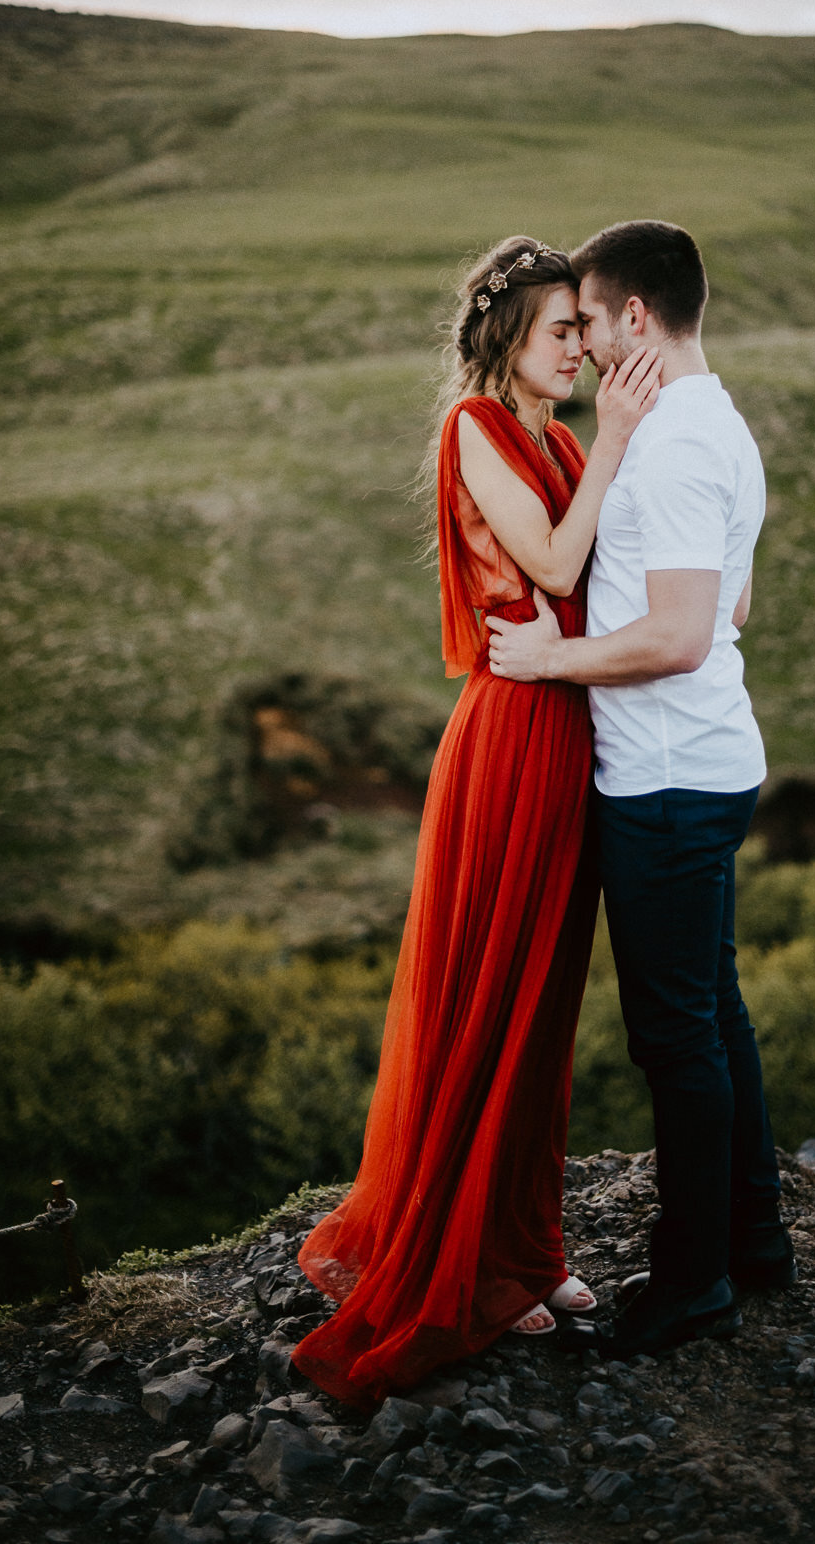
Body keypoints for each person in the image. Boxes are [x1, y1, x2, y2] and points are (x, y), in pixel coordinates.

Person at [291, 237, 660, 1406]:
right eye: (563, 330)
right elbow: (552, 557)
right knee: (491, 991)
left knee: (543, 1001)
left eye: (582, 329)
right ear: (507, 336)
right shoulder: (474, 431)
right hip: (509, 735)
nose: (581, 348)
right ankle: (475, 1262)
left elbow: (598, 580)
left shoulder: (552, 439)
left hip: (567, 726)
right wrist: (614, 444)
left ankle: (523, 1251)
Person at [487, 219, 794, 1360]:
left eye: (586, 318)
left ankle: (692, 1283)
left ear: (630, 319)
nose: (579, 341)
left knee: (674, 1037)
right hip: (712, 759)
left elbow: (674, 633)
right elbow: (732, 607)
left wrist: (550, 659)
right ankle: (753, 1242)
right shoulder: (720, 421)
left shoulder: (667, 447)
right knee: (713, 1012)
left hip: (663, 777)